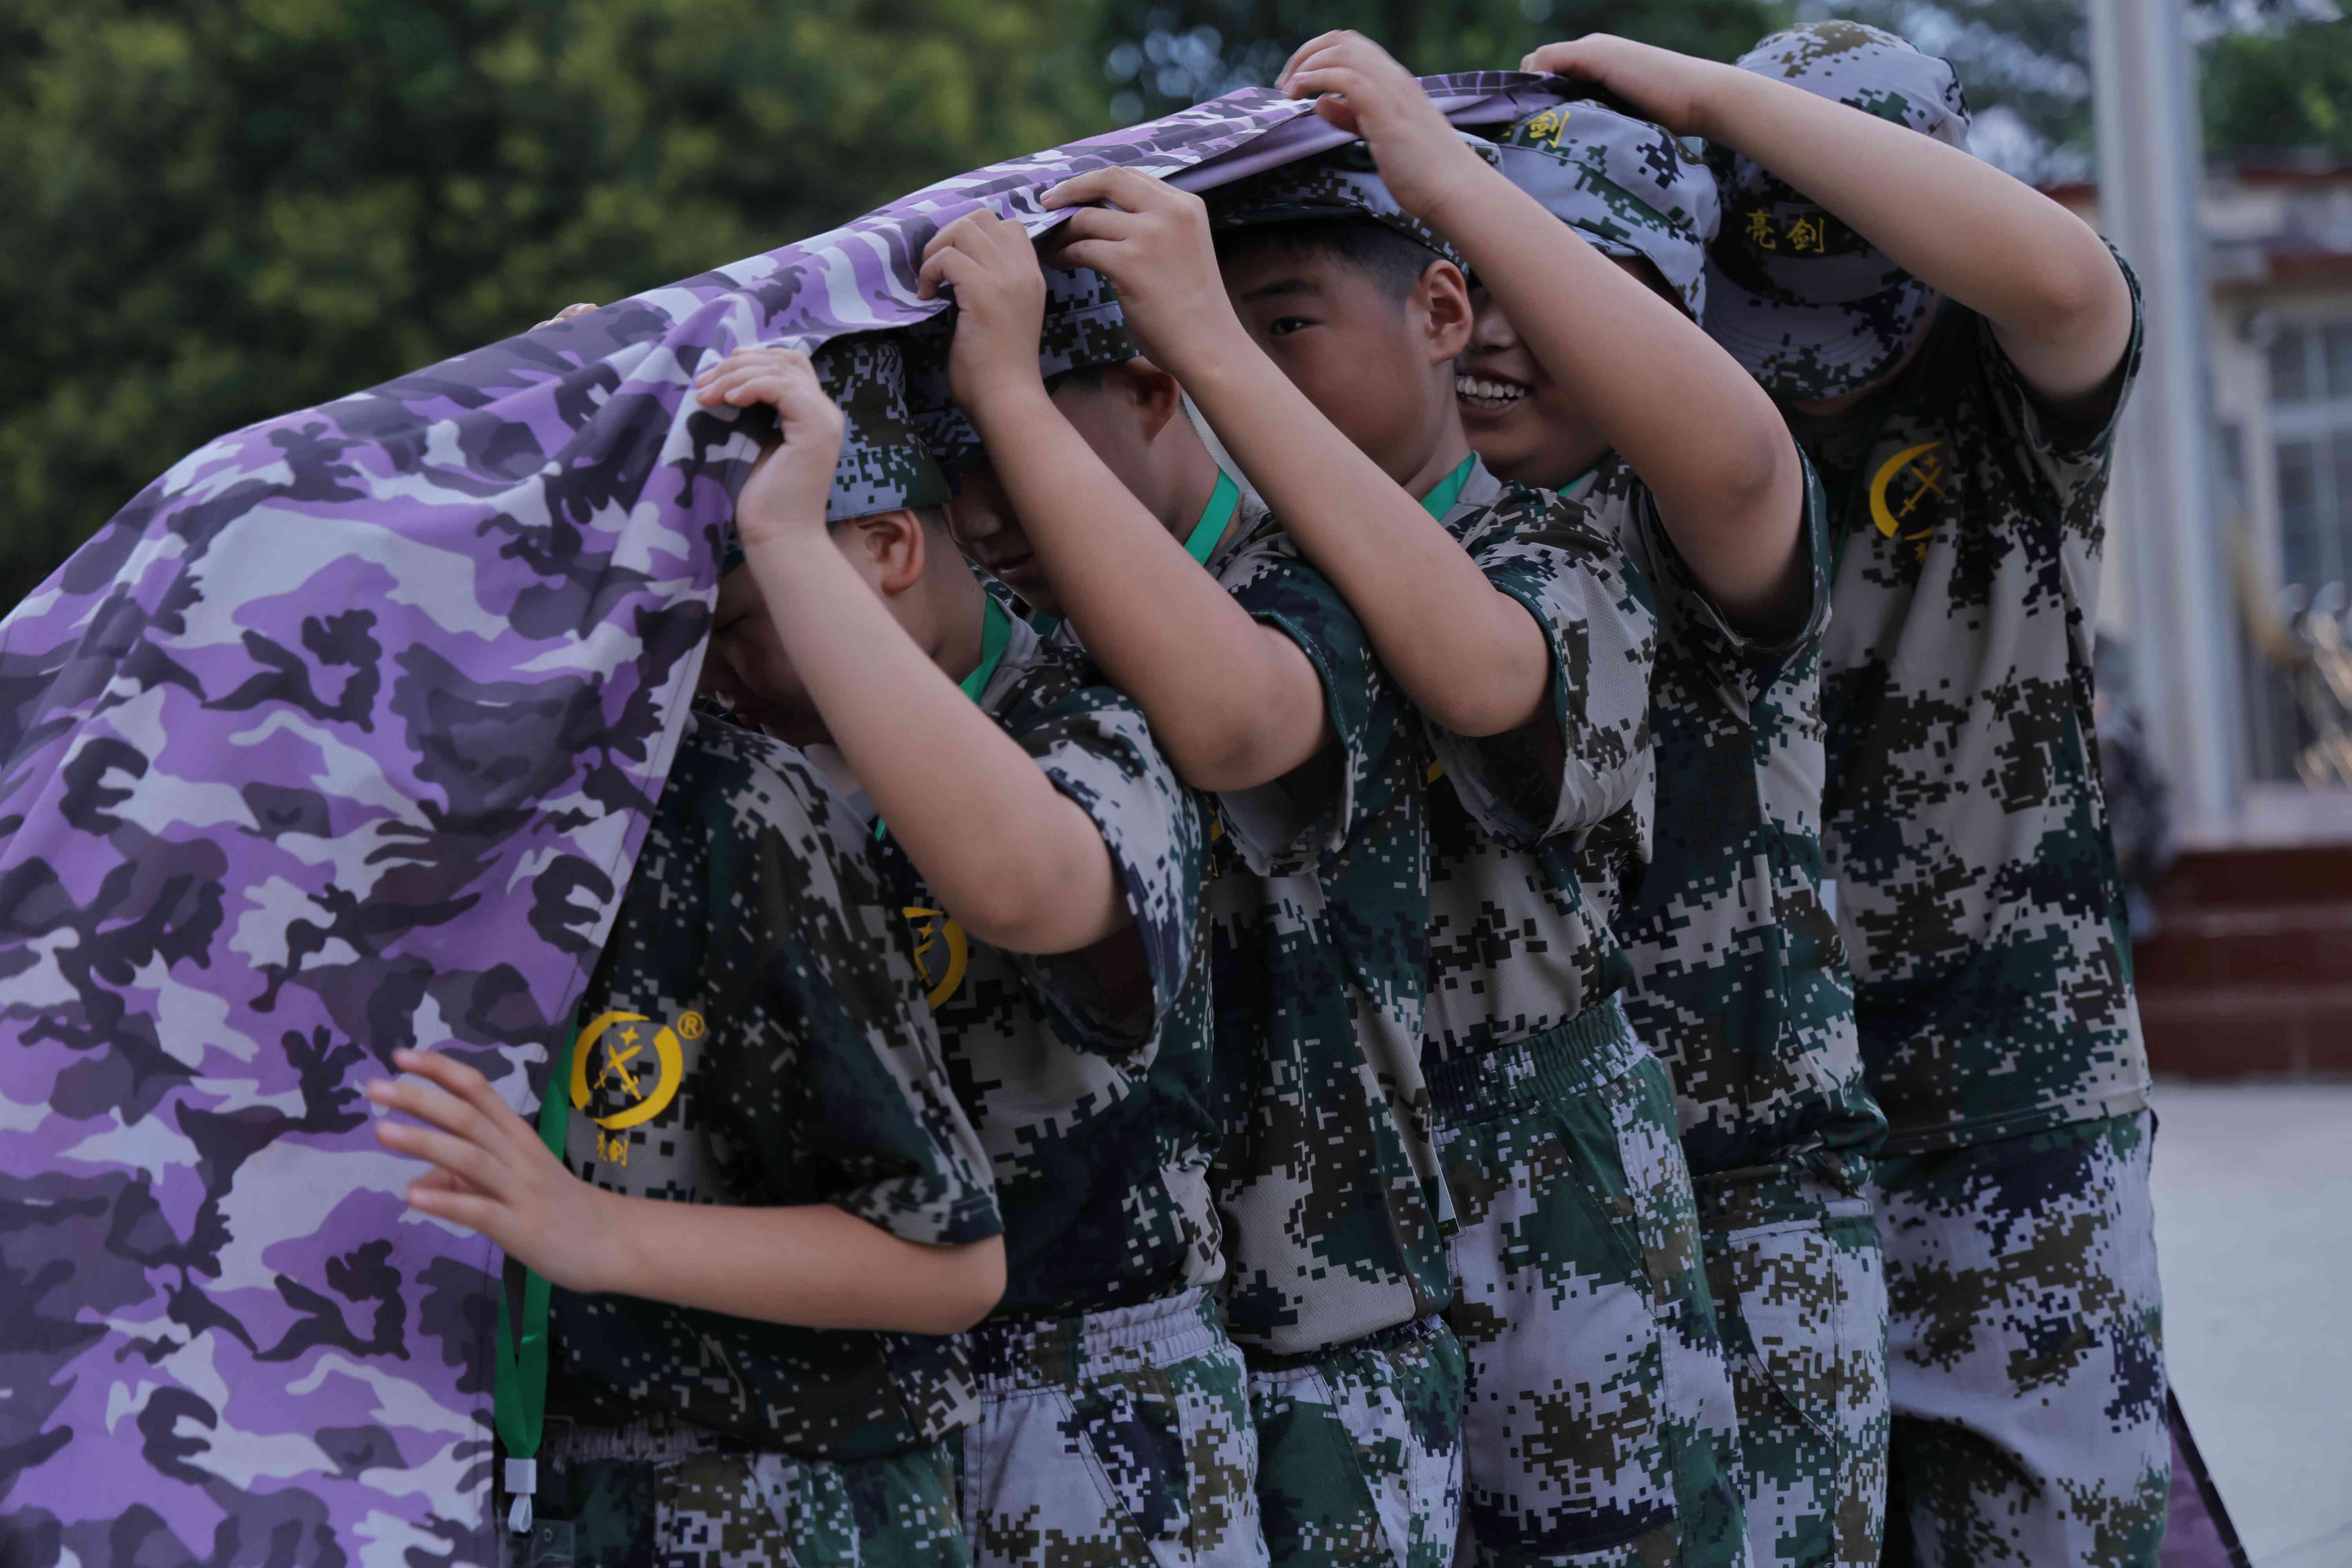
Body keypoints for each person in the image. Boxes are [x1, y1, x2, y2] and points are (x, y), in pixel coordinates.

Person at [1525, 20, 2164, 1564]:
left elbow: (2069, 283)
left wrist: (1715, 97)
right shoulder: (1665, 393)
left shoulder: (2010, 387)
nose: (1818, 375)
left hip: (2008, 1082)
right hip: (1739, 1098)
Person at [363, 343, 1007, 1567]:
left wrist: (591, 1231)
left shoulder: (728, 808)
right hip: (506, 1494)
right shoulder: (374, 829)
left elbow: (948, 1260)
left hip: (777, 1497)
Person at [916, 214, 1465, 1566]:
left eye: (1009, 441)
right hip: (1114, 1351)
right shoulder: (1009, 638)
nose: (983, 510)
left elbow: (1236, 726)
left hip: (1327, 1331)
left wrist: (1005, 388)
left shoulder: (1314, 573)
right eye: (948, 467)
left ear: (1153, 390)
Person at [687, 333, 1264, 1568]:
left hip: (1091, 1405)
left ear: (886, 548)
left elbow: (1030, 888)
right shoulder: (756, 773)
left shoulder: (1088, 706)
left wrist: (785, 542)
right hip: (841, 1412)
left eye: (739, 627)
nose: (719, 682)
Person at [1461, 94, 1893, 1566]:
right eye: (1473, 286)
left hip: (1750, 1207)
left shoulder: (1687, 515)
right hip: (1533, 1213)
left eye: (1567, 287)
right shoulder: (1434, 534)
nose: (1501, 334)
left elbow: (1739, 467)